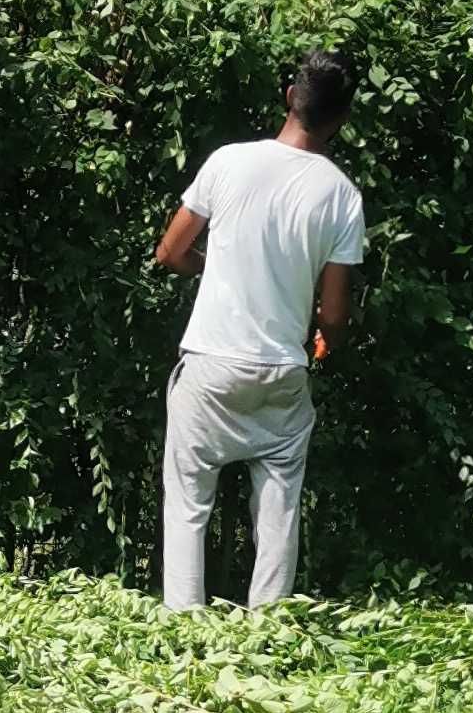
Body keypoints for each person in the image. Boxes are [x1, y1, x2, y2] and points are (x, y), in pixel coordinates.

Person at [150, 51, 366, 611]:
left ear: (288, 97)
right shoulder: (341, 194)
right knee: (278, 508)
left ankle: (183, 629)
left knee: (188, 502)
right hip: (280, 370)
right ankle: (270, 628)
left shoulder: (228, 162)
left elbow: (170, 253)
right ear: (341, 118)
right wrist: (325, 339)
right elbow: (335, 316)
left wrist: (212, 266)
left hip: (211, 365)